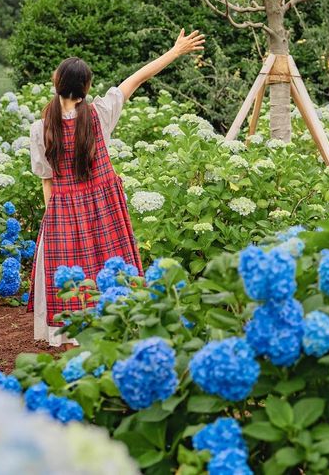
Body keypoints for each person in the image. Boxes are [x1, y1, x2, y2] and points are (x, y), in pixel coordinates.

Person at [27, 28, 205, 345]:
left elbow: (46, 180)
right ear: (86, 88)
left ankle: (74, 331)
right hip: (103, 200)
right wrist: (175, 51)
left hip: (64, 204)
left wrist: (52, 218)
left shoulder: (41, 127)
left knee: (72, 266)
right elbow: (137, 78)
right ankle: (118, 322)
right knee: (109, 262)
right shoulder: (100, 113)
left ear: (57, 84)